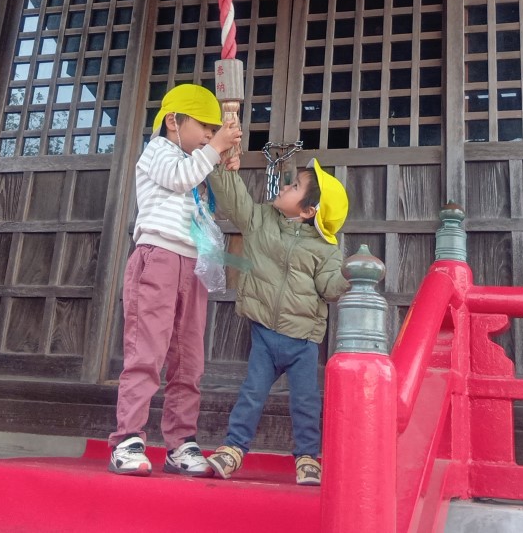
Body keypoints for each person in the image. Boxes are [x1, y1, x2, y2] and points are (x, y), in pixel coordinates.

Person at [108, 83, 242, 476]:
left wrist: (226, 165)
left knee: (189, 360)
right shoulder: (159, 152)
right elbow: (180, 177)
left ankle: (180, 442)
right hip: (158, 259)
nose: (208, 134)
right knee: (146, 351)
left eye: (213, 129)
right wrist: (215, 149)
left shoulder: (197, 160)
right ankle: (128, 438)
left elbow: (218, 203)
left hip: (193, 264)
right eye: (204, 125)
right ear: (173, 121)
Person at [205, 158, 349, 486]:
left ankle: (308, 457)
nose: (284, 187)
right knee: (251, 393)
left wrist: (348, 277)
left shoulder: (326, 249)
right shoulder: (260, 220)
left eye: (294, 186)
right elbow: (236, 199)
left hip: (302, 341)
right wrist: (221, 163)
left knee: (305, 401)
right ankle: (233, 448)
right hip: (265, 335)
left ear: (309, 211)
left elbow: (329, 287)